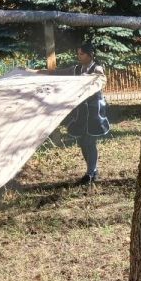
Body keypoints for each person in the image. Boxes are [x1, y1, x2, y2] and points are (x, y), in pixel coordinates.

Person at [38, 42, 110, 184]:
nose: (79, 56)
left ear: (90, 55)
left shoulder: (97, 69)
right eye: (78, 54)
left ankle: (90, 173)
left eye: (81, 54)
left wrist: (87, 80)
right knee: (82, 142)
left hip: (94, 113)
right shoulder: (76, 69)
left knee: (90, 142)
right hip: (80, 113)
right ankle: (93, 171)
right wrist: (37, 72)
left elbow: (100, 80)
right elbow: (59, 73)